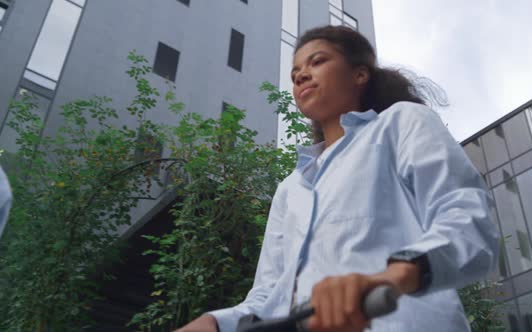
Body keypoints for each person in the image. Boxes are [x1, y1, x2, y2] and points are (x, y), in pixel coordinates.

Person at [177, 25, 499, 332]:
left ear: (359, 74)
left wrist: (391, 277)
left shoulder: (400, 124)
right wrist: (217, 322)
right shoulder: (290, 189)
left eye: (317, 61)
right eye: (295, 73)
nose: (302, 74)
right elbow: (270, 294)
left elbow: (468, 222)